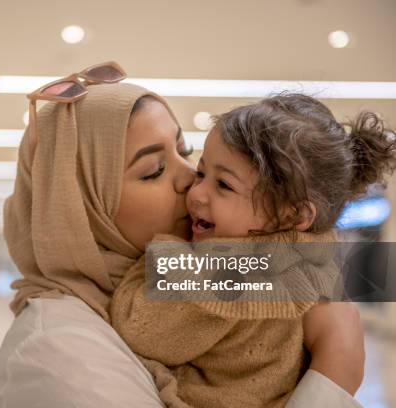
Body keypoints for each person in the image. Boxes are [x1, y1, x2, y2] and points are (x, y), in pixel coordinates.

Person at [0, 64, 366, 407]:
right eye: (154, 170)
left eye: (184, 151)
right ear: (76, 202)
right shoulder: (57, 353)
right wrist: (334, 373)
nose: (190, 179)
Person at [111, 93, 396, 407]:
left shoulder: (228, 269)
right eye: (202, 172)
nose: (196, 192)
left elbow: (141, 330)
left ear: (294, 215)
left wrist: (168, 249)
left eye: (224, 185)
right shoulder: (312, 255)